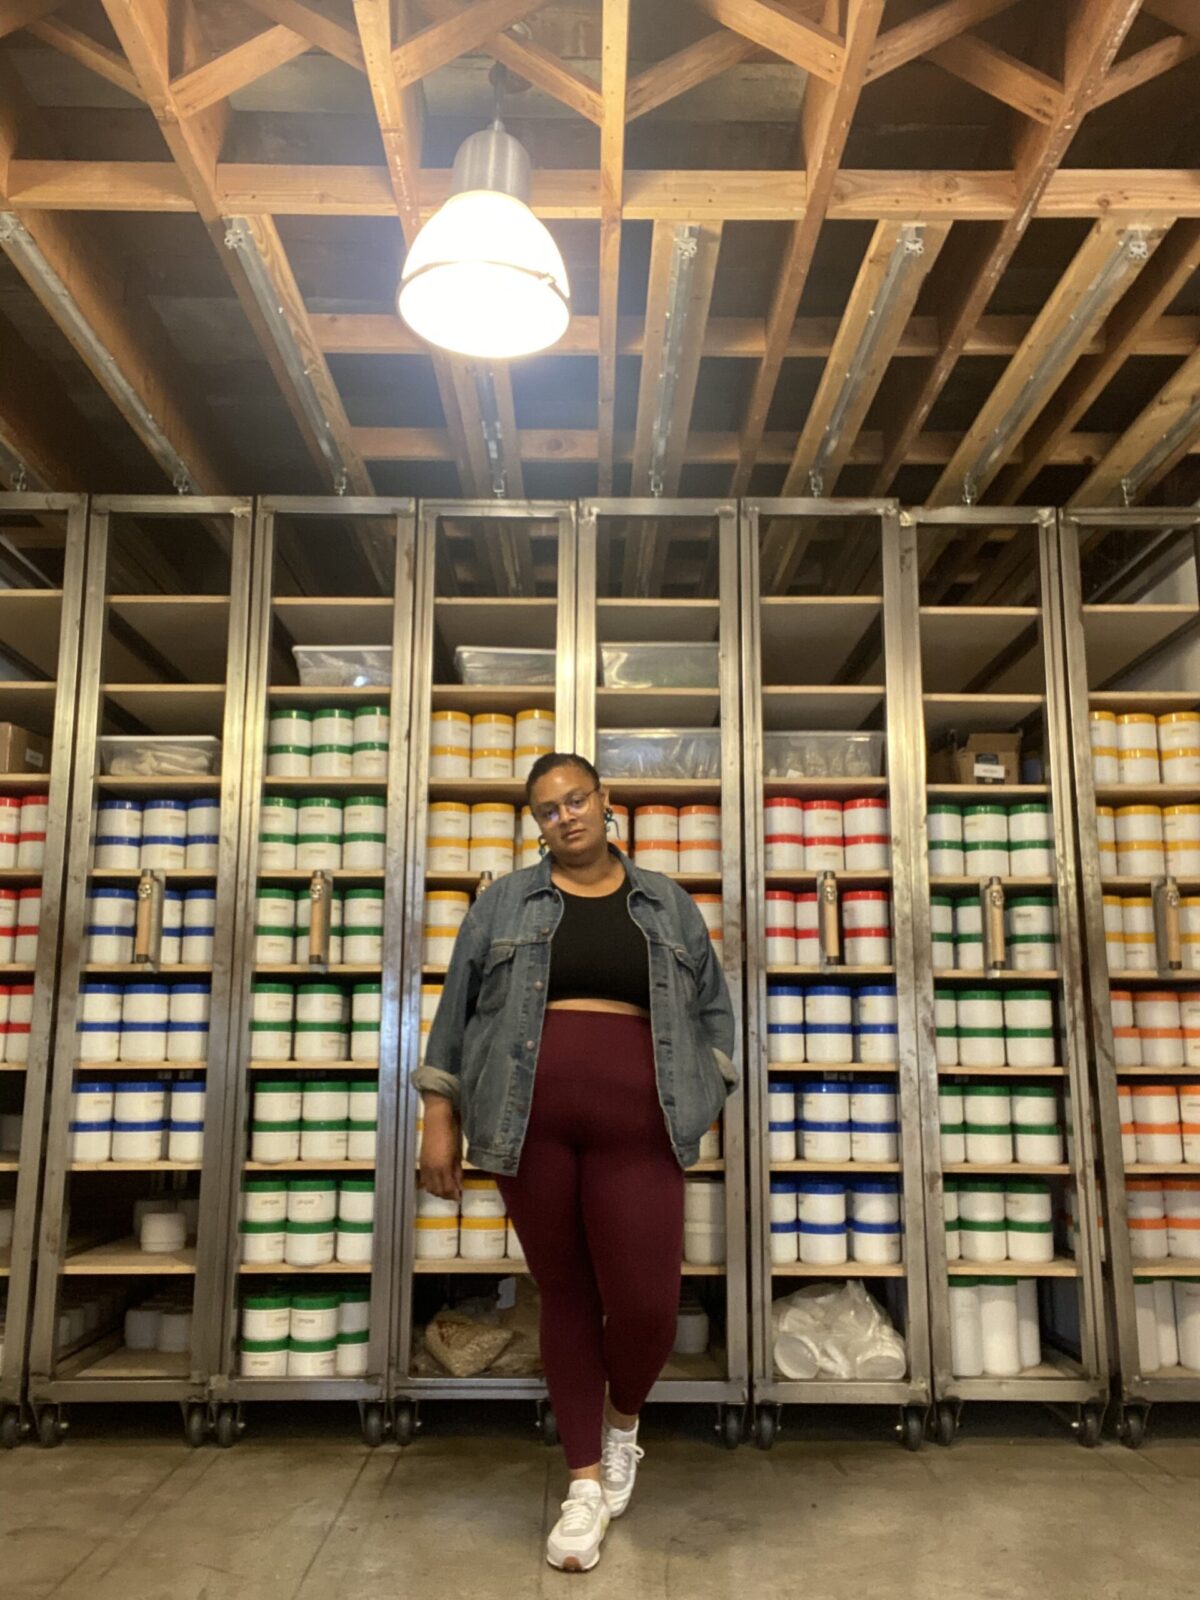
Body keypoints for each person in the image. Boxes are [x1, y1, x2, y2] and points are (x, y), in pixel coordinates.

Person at [417, 750, 737, 1572]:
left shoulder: (666, 904)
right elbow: (455, 1016)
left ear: (606, 802)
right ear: (537, 825)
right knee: (565, 1295)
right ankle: (585, 1484)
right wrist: (438, 1118)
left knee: (646, 1308)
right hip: (527, 1130)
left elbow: (715, 1017)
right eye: (547, 809)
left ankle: (623, 1421)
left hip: (641, 1126)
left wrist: (707, 1093)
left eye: (576, 799)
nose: (565, 816)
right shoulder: (501, 905)